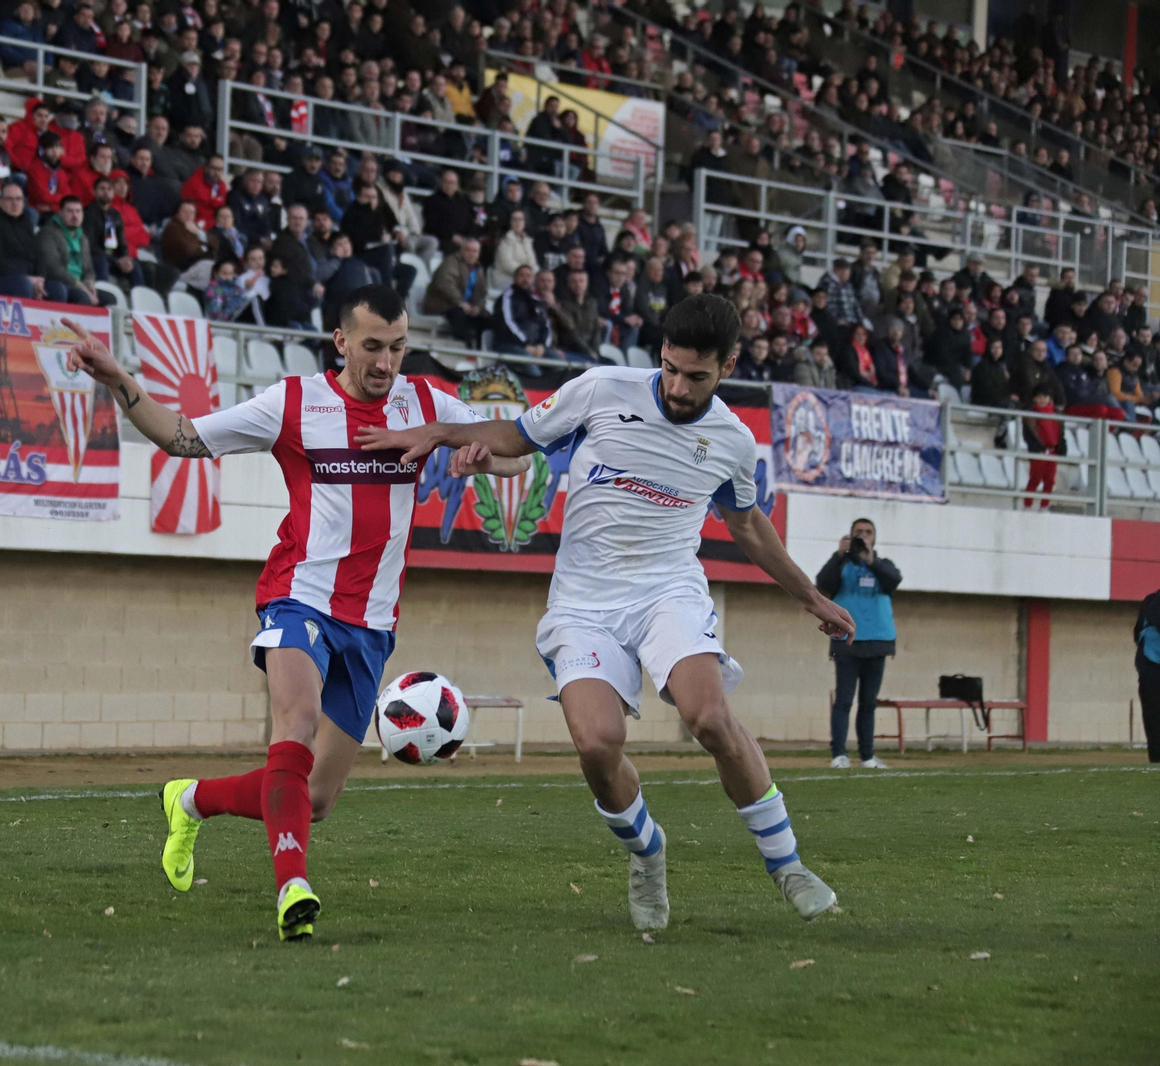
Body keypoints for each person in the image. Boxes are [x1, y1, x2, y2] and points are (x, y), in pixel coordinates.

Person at [361, 294, 852, 928]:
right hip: (584, 601)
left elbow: (749, 525)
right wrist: (438, 434)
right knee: (597, 744)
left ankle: (786, 865)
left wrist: (811, 596)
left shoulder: (732, 440)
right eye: (670, 369)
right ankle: (647, 854)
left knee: (709, 717)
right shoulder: (599, 389)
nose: (677, 386)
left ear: (728, 364)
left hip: (667, 590)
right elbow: (518, 437)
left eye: (696, 376)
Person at [61, 284, 529, 941]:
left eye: (397, 348)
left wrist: (479, 456)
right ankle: (293, 888)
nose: (386, 362)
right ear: (341, 342)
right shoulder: (292, 403)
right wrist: (119, 378)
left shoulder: (425, 402)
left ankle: (190, 799)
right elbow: (184, 438)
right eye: (372, 347)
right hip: (298, 594)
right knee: (297, 718)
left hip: (373, 624)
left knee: (314, 799)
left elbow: (512, 455)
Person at [814, 517, 899, 771]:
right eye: (858, 533)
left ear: (875, 538)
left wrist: (871, 560)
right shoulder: (841, 565)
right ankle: (839, 754)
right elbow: (823, 583)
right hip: (847, 640)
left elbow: (893, 580)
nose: (863, 536)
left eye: (868, 532)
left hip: (877, 639)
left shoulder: (883, 565)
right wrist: (839, 554)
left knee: (869, 702)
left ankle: (868, 756)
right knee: (844, 700)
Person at [0, 183, 46, 299]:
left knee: (57, 289)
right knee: (23, 285)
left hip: (22, 278)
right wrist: (27, 277)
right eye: (9, 199)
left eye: (18, 199)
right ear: (0, 202)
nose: (15, 203)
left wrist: (39, 280)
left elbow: (37, 256)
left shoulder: (26, 224)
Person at [422, 237, 489, 348]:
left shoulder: (479, 269)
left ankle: (482, 350)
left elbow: (482, 292)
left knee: (487, 319)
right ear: (461, 250)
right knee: (459, 316)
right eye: (468, 250)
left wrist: (477, 307)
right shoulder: (450, 262)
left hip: (465, 307)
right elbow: (444, 284)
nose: (471, 254)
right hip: (443, 305)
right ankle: (465, 349)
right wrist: (460, 303)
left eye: (475, 251)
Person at [36, 194, 100, 305]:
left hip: (79, 284)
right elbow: (52, 268)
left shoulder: (83, 238)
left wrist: (89, 283)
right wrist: (79, 285)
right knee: (83, 297)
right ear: (60, 213)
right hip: (57, 282)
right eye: (70, 211)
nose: (75, 216)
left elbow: (89, 269)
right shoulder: (48, 233)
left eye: (78, 211)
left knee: (110, 298)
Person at [1133, 588, 1160, 763]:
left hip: (1148, 666)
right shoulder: (1153, 601)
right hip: (1151, 666)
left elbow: (1137, 632)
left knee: (1153, 721)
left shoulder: (1150, 600)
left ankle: (1156, 760)